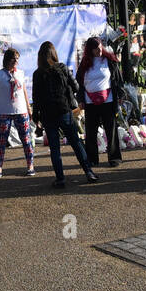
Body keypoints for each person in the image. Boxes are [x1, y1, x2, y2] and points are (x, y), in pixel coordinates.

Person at [32, 41, 98, 187]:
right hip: (64, 110)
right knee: (76, 142)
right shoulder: (62, 68)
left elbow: (36, 97)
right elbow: (75, 86)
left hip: (48, 114)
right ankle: (88, 172)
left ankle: (60, 178)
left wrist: (36, 118)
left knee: (55, 148)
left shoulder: (37, 74)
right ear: (54, 53)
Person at [76, 36, 123, 168]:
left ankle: (114, 158)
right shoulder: (85, 64)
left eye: (100, 46)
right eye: (95, 48)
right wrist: (80, 99)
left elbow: (117, 79)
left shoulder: (109, 61)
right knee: (91, 132)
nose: (99, 50)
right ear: (90, 50)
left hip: (108, 100)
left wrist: (120, 94)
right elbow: (79, 83)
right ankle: (92, 159)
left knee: (111, 130)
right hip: (90, 101)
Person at [0, 47, 35, 177]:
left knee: (26, 139)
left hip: (21, 111)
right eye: (14, 58)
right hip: (4, 112)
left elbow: (25, 92)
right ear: (7, 59)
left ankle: (30, 165)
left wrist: (29, 107)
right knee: (1, 141)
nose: (16, 61)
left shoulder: (20, 73)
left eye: (17, 59)